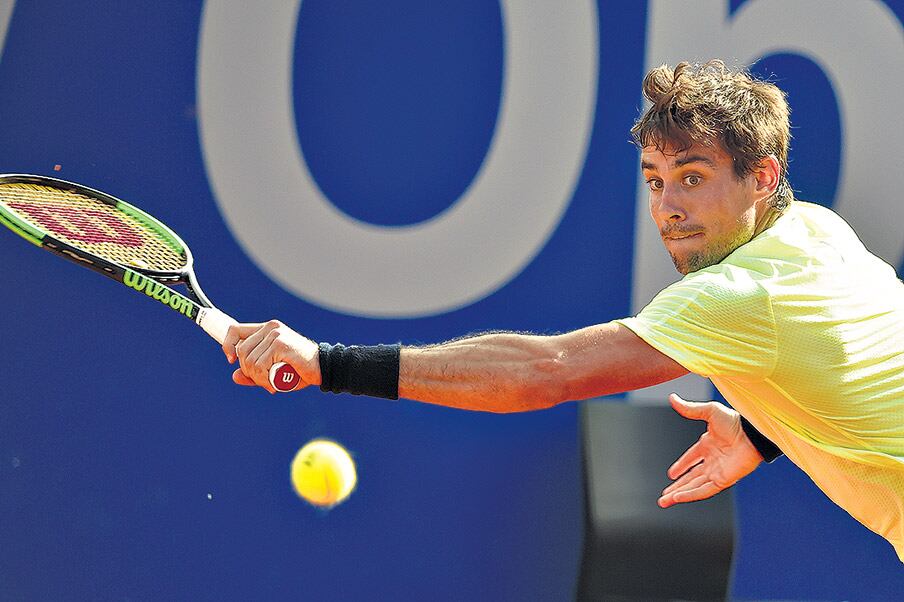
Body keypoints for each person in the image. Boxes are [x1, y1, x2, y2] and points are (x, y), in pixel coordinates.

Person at [222, 60, 904, 561]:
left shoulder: (738, 297)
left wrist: (329, 365)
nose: (668, 207)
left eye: (692, 178)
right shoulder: (815, 232)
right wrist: (765, 431)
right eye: (656, 181)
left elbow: (544, 373)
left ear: (761, 177)